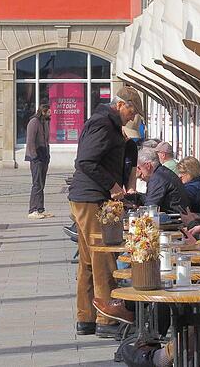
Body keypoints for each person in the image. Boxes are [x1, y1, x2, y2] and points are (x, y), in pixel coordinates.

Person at [68, 85, 142, 339]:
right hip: (91, 199)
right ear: (121, 105)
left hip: (87, 198)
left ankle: (85, 317)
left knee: (89, 260)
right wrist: (112, 186)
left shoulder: (107, 124)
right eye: (132, 112)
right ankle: (106, 319)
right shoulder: (102, 124)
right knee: (104, 258)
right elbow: (86, 161)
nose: (133, 118)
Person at [137, 148, 190, 214]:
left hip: (175, 219)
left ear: (148, 165)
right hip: (175, 216)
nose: (138, 172)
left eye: (139, 168)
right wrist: (136, 197)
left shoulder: (158, 178)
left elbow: (150, 208)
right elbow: (152, 198)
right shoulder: (161, 173)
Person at [25, 104, 52, 220]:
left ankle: (40, 208)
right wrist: (34, 156)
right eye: (49, 111)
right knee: (36, 184)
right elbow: (30, 141)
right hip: (36, 156)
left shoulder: (44, 122)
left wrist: (48, 155)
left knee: (41, 184)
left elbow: (46, 140)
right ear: (44, 111)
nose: (51, 113)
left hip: (44, 155)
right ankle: (33, 209)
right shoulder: (34, 122)